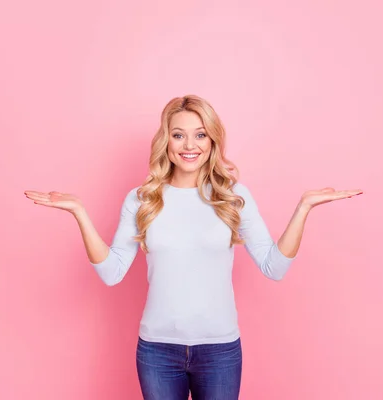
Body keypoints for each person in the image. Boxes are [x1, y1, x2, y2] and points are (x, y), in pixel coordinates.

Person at [24, 94, 363, 399]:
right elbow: (112, 273)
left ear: (212, 141)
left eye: (200, 134)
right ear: (166, 141)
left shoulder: (234, 197)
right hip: (157, 350)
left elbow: (275, 267)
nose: (190, 144)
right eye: (178, 134)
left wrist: (304, 207)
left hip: (219, 351)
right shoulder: (143, 200)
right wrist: (79, 213)